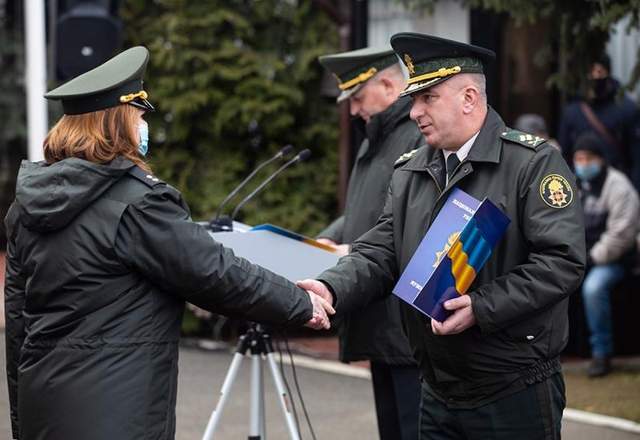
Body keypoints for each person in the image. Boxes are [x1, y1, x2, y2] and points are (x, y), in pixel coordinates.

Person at [3, 46, 334, 440]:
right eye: (139, 116)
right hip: (118, 413)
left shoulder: (26, 205)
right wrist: (299, 302)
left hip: (45, 407)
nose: (144, 126)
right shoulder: (139, 202)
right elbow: (214, 273)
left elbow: (17, 321)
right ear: (116, 123)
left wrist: (21, 418)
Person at [299, 33, 585, 440]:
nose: (414, 111)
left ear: (469, 98)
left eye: (427, 98)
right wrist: (331, 287)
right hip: (436, 387)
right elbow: (379, 251)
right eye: (413, 99)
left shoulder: (532, 164)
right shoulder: (411, 170)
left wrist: (482, 307)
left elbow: (561, 262)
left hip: (512, 386)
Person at [317, 46, 423, 440]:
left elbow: (407, 219)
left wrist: (355, 249)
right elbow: (364, 207)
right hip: (378, 314)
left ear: (389, 86)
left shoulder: (417, 136)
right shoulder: (374, 141)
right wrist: (332, 236)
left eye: (358, 98)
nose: (354, 110)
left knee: (414, 428)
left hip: (404, 318)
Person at [572, 132, 640, 377]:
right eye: (579, 159)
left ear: (601, 159)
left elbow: (622, 234)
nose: (583, 164)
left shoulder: (619, 187)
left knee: (593, 288)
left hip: (614, 259)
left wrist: (592, 258)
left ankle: (602, 352)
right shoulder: (573, 184)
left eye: (589, 158)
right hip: (579, 256)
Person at [558, 54, 640, 190]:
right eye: (590, 71)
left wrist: (635, 189)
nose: (595, 76)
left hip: (617, 187)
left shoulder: (626, 109)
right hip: (580, 188)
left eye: (599, 71)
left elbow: (636, 155)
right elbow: (564, 155)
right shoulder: (572, 112)